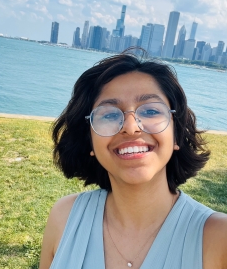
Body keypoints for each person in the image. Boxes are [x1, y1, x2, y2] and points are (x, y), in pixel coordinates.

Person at [39, 51, 227, 269]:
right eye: (109, 114)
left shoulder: (219, 237)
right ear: (90, 140)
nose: (130, 127)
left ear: (176, 133)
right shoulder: (64, 217)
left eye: (150, 111)